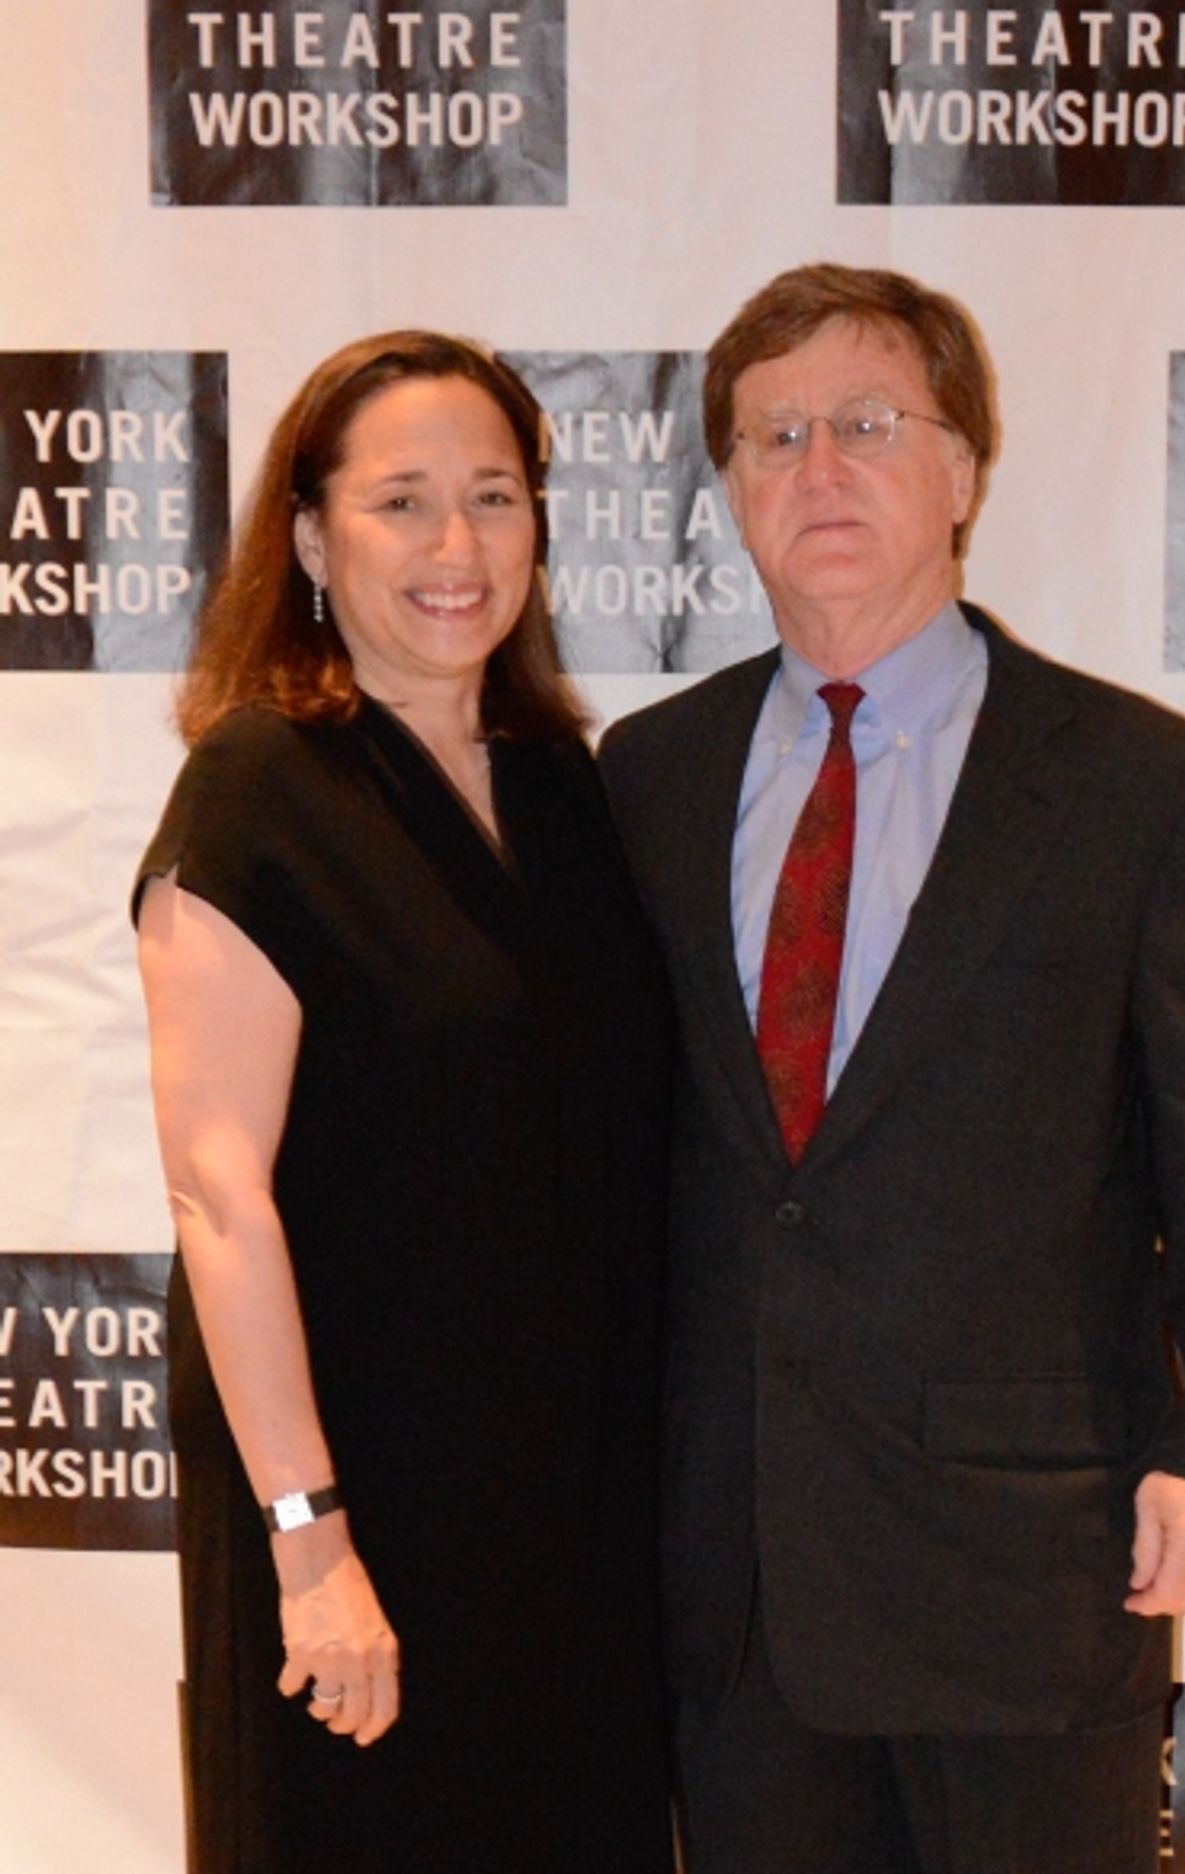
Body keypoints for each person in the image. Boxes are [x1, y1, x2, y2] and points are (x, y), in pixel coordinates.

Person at [598, 264, 1185, 1874]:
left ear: (965, 469)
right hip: (739, 1584)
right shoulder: (647, 778)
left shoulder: (1141, 789)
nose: (819, 468)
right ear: (730, 488)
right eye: (775, 435)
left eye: (868, 423)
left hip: (1029, 1573)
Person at [133, 330, 673, 1874]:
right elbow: (218, 1192)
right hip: (358, 1512)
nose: (458, 546)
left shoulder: (564, 788)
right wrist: (311, 1543)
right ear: (311, 539)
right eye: (401, 501)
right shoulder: (258, 788)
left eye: (494, 496)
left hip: (575, 1527)